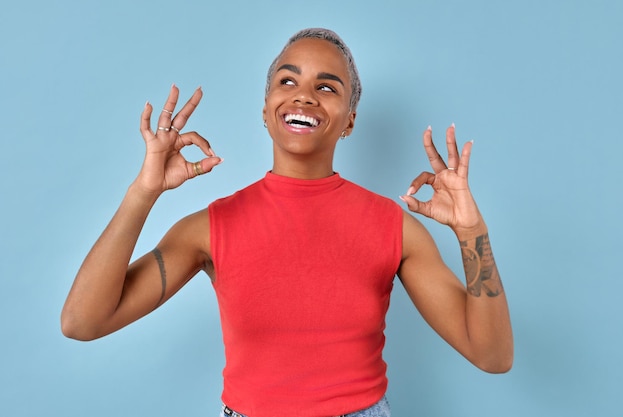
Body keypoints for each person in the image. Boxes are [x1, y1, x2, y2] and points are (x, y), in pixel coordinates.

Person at [61, 28, 513, 417]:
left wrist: (471, 231)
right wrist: (143, 192)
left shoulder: (393, 227)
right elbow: (83, 322)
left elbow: (492, 355)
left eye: (328, 87)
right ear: (266, 109)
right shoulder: (208, 228)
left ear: (349, 121)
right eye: (287, 80)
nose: (303, 95)